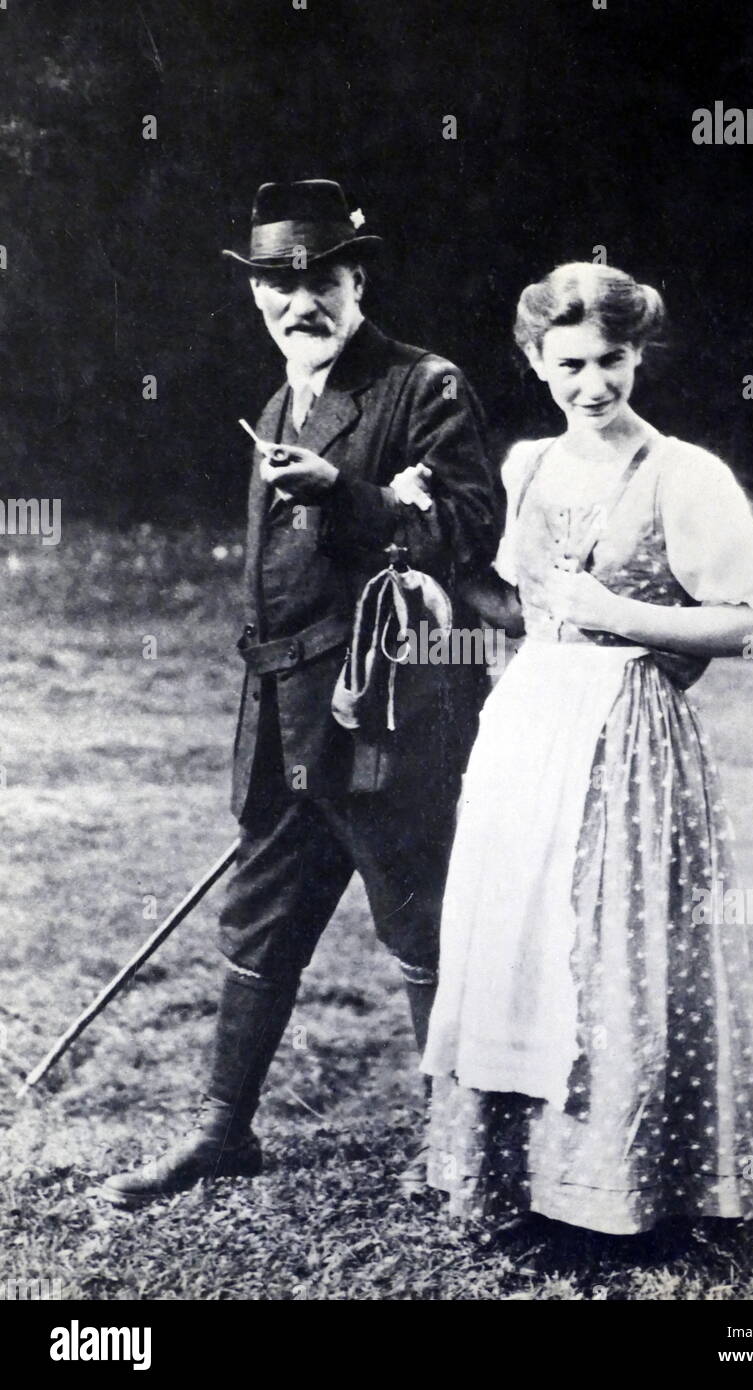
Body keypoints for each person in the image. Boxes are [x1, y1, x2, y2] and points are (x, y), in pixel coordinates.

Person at [101, 179, 500, 1208]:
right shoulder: (283, 400)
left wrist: (355, 496)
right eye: (274, 284)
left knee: (419, 923)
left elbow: (469, 529)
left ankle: (457, 1151)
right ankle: (224, 1133)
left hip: (387, 713)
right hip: (282, 716)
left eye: (317, 279)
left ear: (357, 279)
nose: (295, 302)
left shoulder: (424, 387)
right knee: (261, 921)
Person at [421, 262, 753, 1236]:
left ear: (636, 356)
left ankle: (619, 1192)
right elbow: (520, 606)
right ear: (537, 362)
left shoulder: (683, 472)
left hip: (628, 735)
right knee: (518, 941)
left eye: (612, 360)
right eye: (570, 362)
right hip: (530, 722)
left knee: (609, 947)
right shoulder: (526, 465)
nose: (594, 384)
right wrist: (435, 577)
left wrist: (619, 612)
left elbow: (746, 625)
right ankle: (518, 1185)